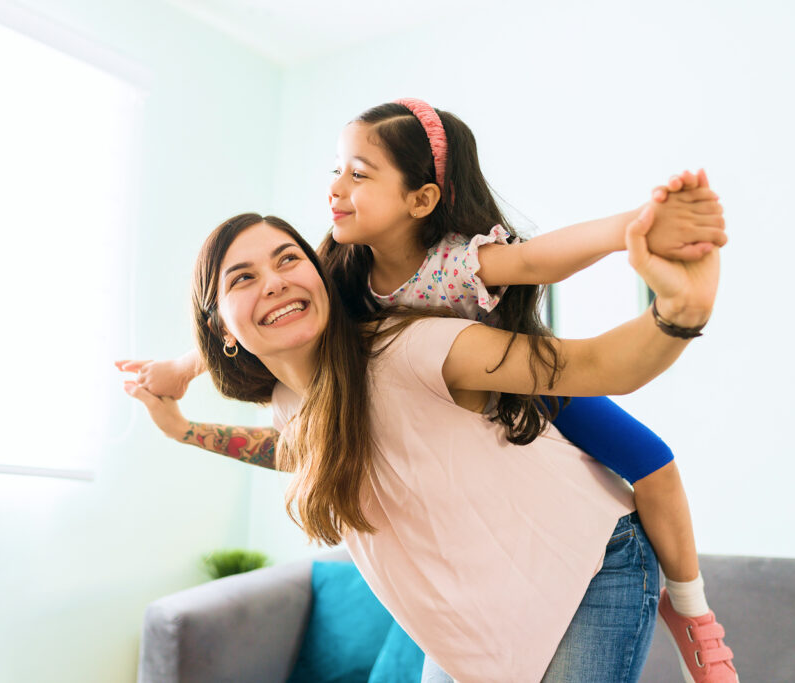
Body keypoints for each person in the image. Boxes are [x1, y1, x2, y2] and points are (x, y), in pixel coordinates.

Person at [118, 100, 737, 682]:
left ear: (421, 198)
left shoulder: (430, 307)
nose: (336, 188)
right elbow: (296, 446)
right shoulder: (321, 330)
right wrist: (180, 409)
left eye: (285, 260)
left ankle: (690, 609)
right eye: (244, 277)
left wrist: (646, 243)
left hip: (579, 538)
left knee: (651, 461)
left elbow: (557, 295)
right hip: (471, 627)